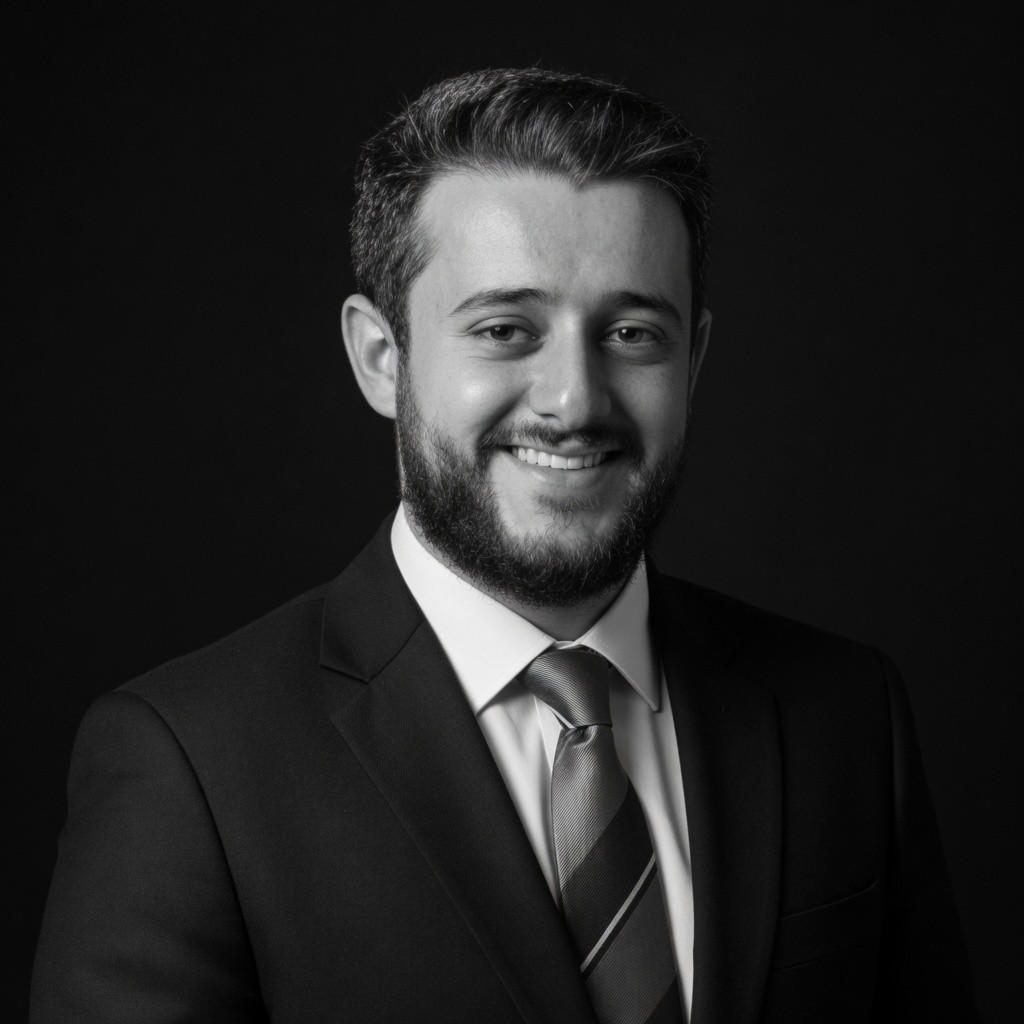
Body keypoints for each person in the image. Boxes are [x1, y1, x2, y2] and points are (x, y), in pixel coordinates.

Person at [31, 67, 977, 1024]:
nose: (574, 400)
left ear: (692, 358)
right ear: (381, 358)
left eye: (632, 331)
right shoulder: (188, 764)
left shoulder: (845, 717)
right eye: (504, 329)